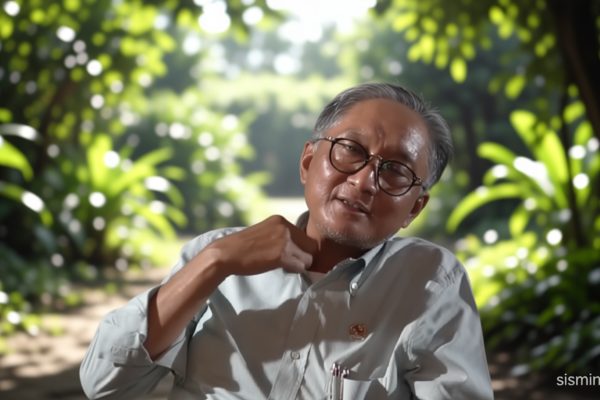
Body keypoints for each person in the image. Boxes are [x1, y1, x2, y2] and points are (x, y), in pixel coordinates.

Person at [80, 83, 493, 400]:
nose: (364, 181)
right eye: (351, 149)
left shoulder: (428, 281)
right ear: (308, 162)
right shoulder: (216, 256)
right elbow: (106, 383)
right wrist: (215, 262)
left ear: (414, 208)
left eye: (396, 171)